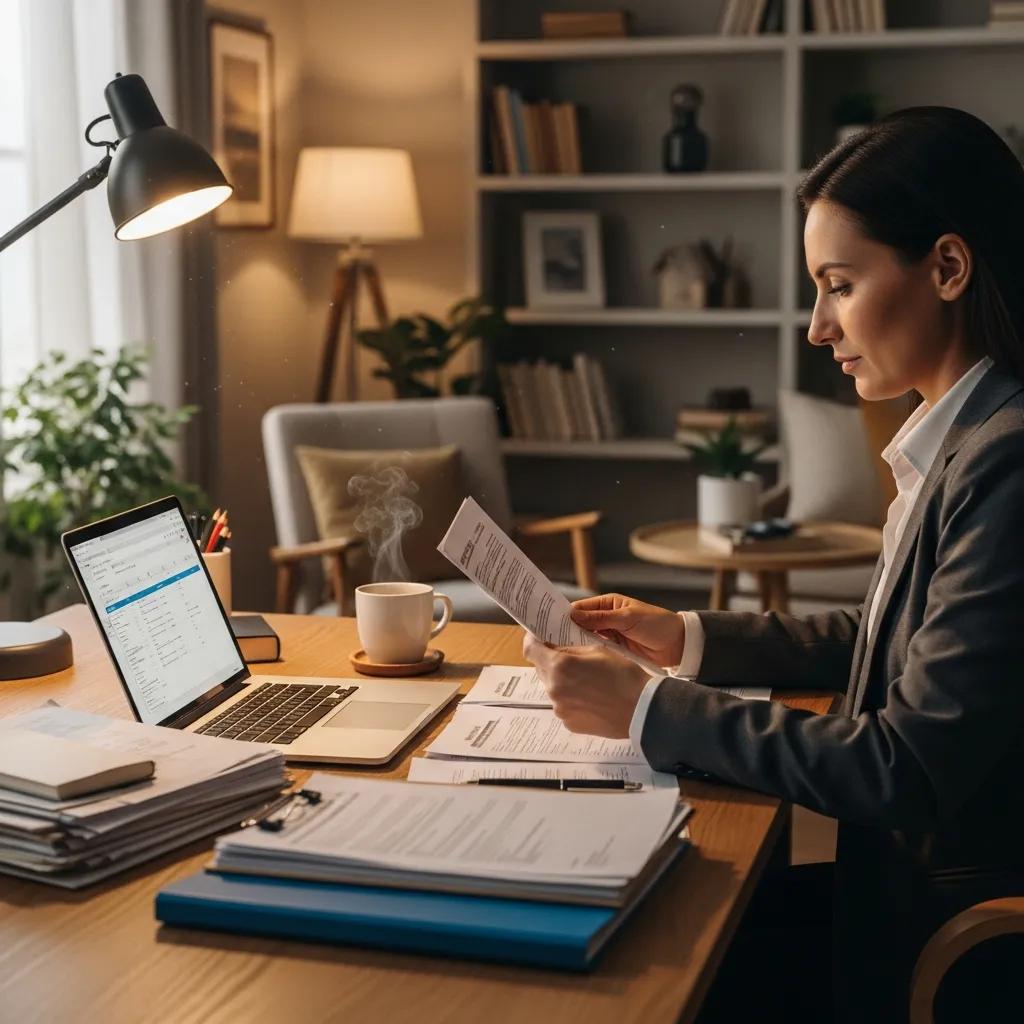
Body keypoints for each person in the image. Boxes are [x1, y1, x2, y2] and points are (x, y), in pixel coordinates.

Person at [524, 106, 1024, 1023]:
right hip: (896, 893)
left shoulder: (1006, 460)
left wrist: (644, 709)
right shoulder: (965, 438)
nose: (816, 328)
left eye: (838, 285)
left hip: (942, 934)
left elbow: (904, 764)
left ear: (948, 267)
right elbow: (882, 639)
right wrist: (686, 638)